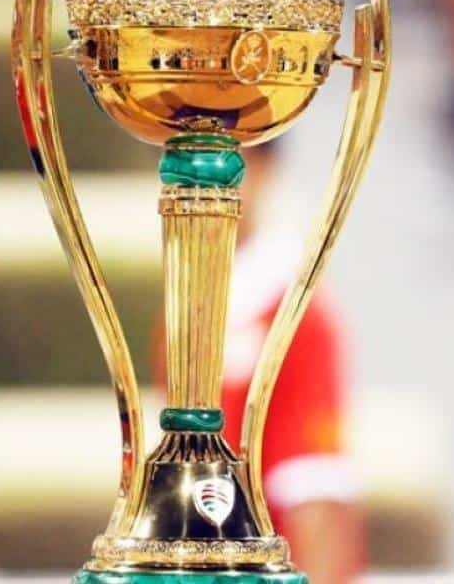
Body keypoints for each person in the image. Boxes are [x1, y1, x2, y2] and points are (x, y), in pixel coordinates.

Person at [154, 143, 363, 583]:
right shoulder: (179, 308)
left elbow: (314, 491)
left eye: (225, 159)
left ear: (264, 167)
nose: (202, 180)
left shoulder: (297, 314)